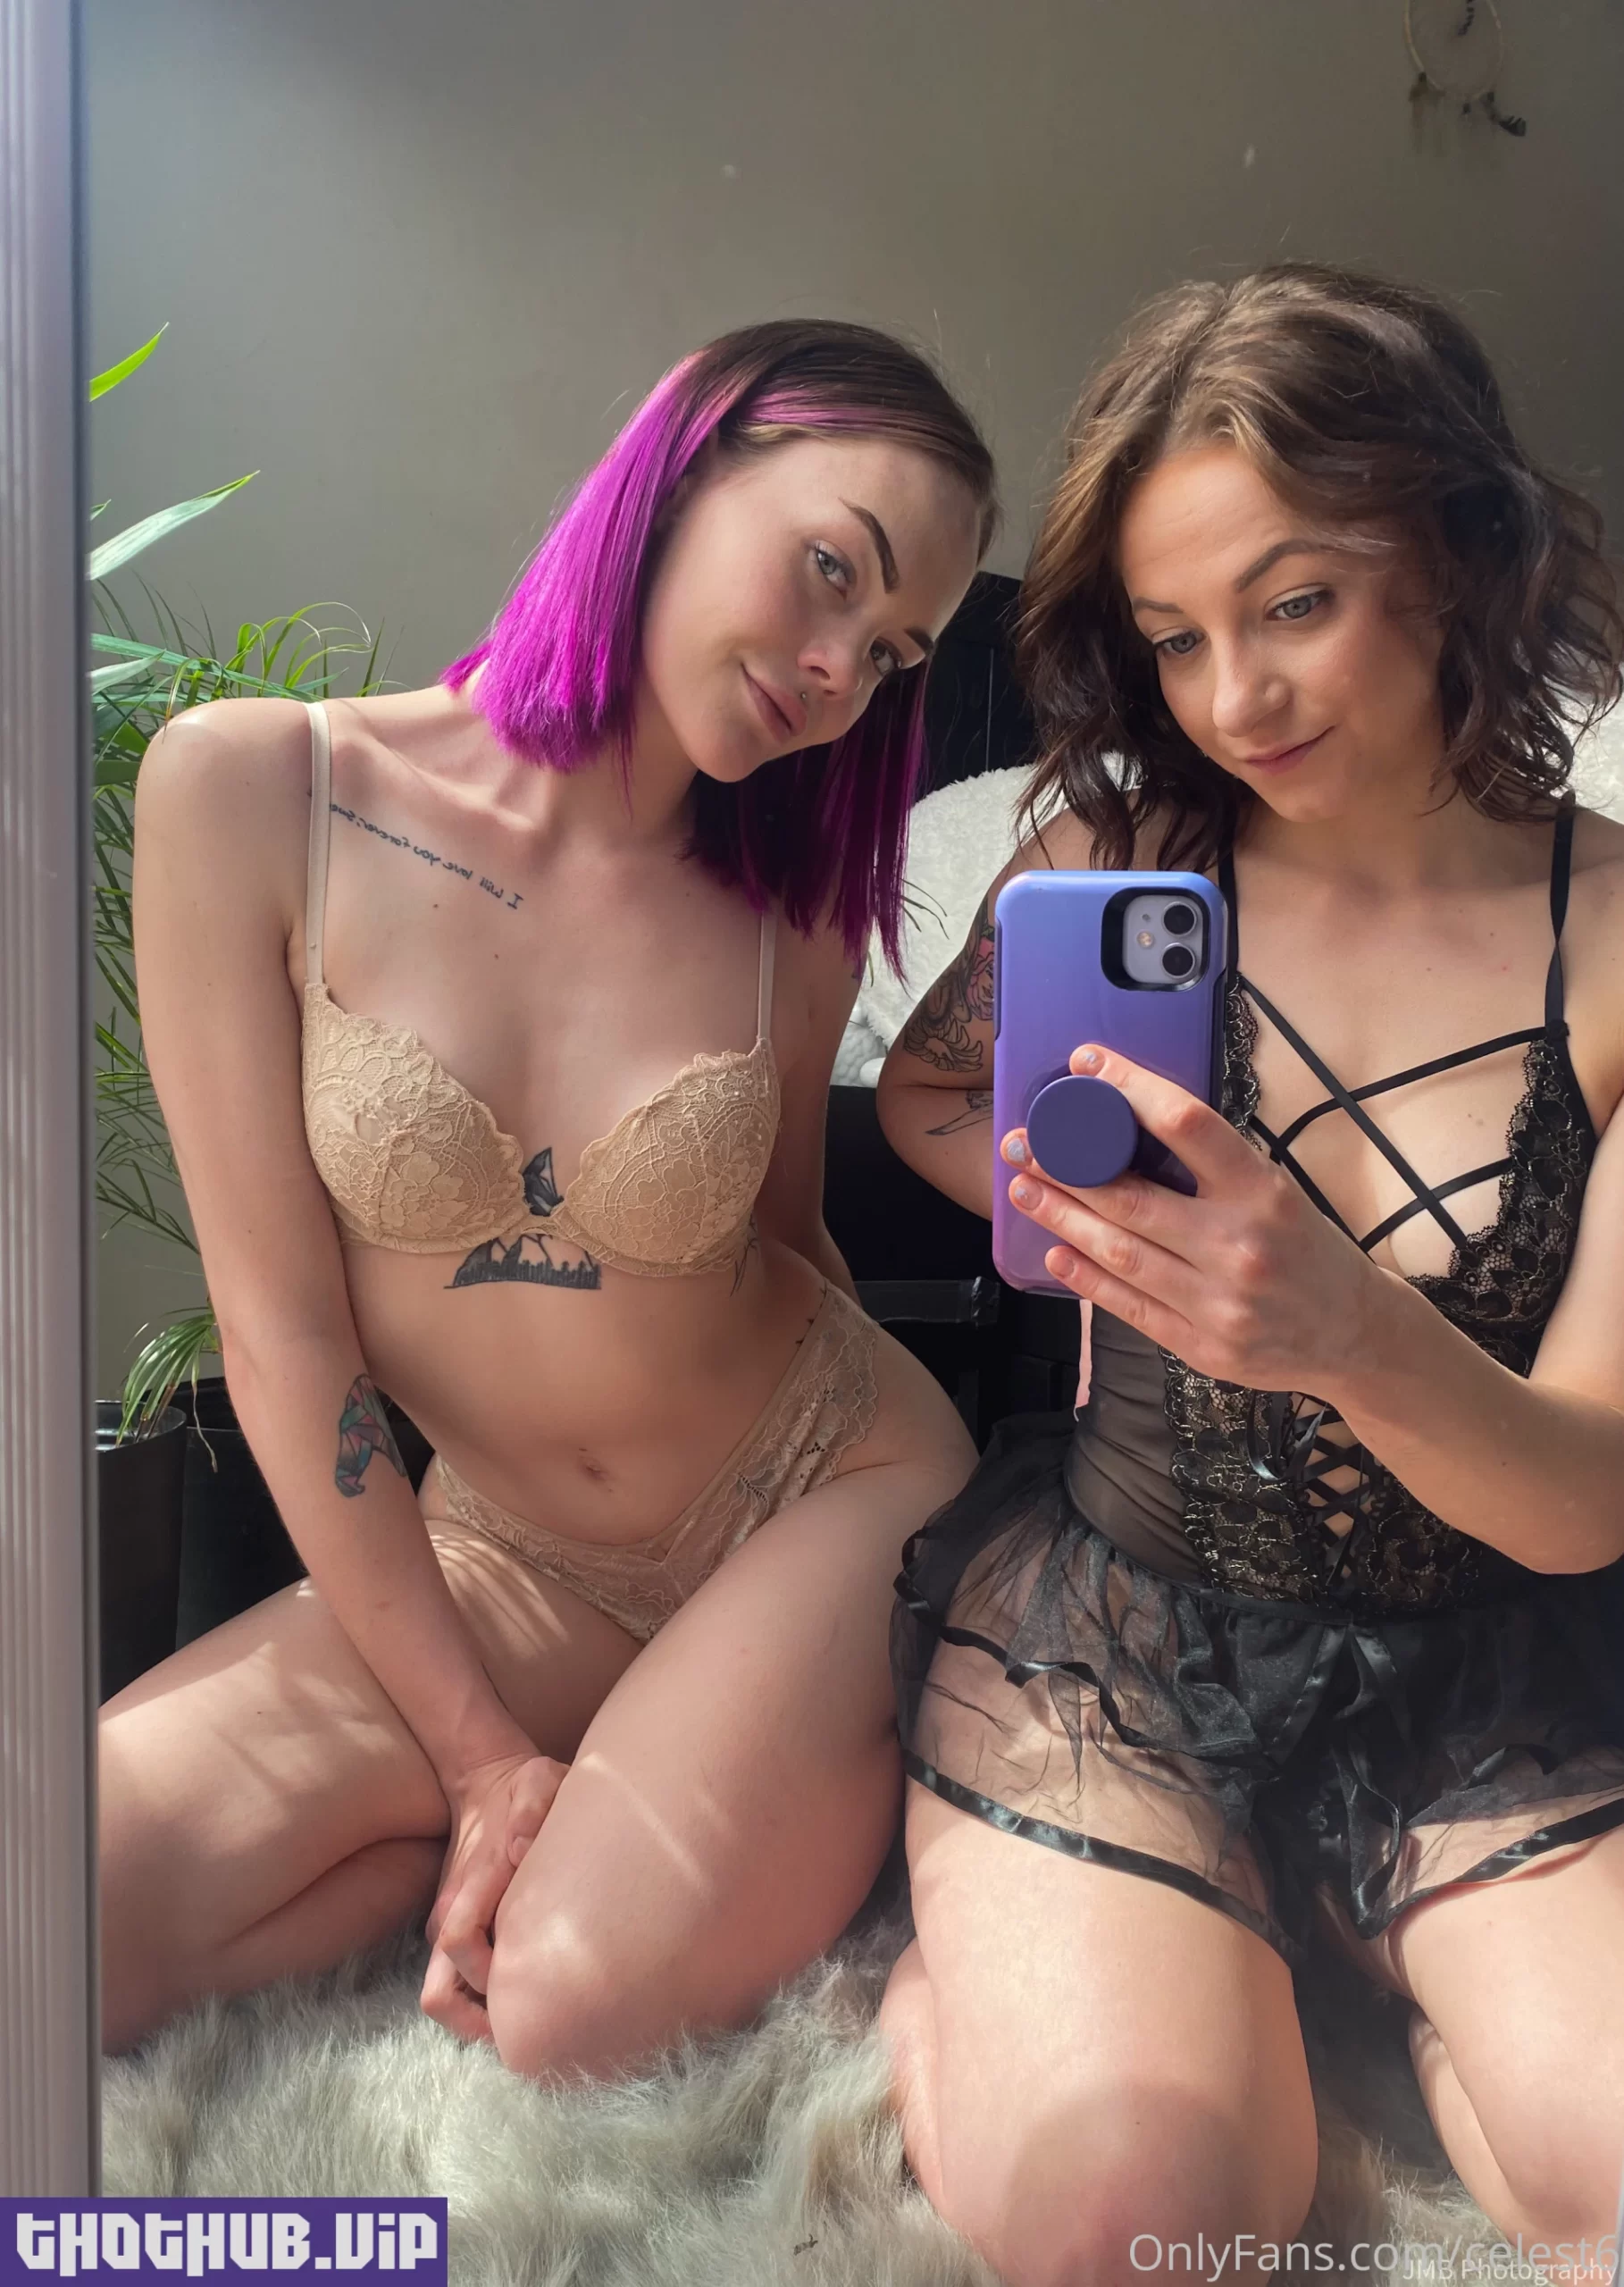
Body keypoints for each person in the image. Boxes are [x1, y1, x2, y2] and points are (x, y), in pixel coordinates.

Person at [101, 320, 993, 2073]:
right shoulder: (256, 789)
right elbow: (284, 1342)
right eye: (834, 569)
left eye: (894, 652)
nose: (841, 671)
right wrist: (481, 1756)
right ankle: (566, 1795)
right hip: (504, 1556)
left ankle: (795, 1738)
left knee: (569, 2008)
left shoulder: (788, 908)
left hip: (825, 1493)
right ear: (686, 459)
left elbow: (789, 1243)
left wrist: (920, 1621)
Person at [876, 266, 1624, 2286]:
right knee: (1147, 2227)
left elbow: (1587, 1490)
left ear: (1459, 550)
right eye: (1175, 635)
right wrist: (1068, 1215)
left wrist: (1343, 1329)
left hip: (1493, 1673)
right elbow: (927, 1097)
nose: (1234, 700)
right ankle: (978, 1999)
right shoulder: (1121, 862)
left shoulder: (1618, 938)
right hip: (1118, 1648)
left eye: (1294, 604)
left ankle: (1384, 1982)